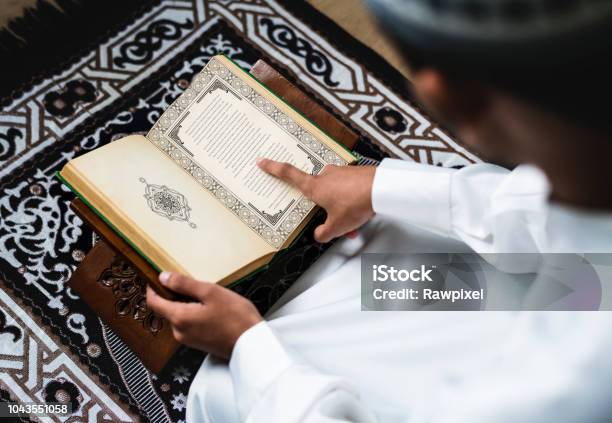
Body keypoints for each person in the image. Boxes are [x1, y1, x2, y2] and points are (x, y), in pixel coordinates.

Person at [146, 0, 612, 421]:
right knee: (381, 263)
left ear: (445, 97)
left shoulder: (561, 391)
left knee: (221, 386)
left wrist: (247, 346)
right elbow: (539, 217)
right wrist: (382, 185)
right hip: (569, 291)